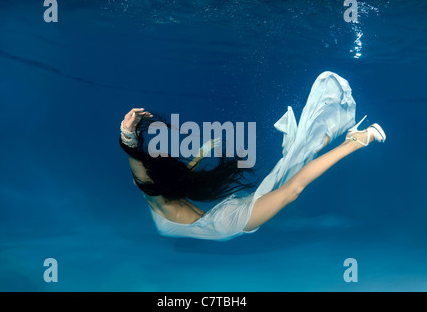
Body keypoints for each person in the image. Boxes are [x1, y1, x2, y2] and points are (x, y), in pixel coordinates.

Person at [119, 71, 386, 241]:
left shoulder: (160, 200)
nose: (135, 179)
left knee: (292, 187)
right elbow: (166, 174)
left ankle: (357, 141)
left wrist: (129, 138)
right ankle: (343, 135)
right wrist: (200, 152)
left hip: (228, 222)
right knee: (293, 170)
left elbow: (149, 175)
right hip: (225, 216)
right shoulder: (163, 195)